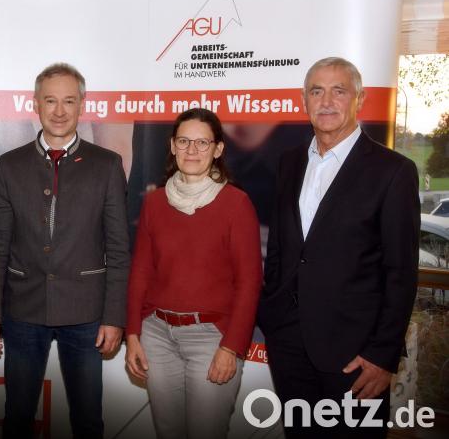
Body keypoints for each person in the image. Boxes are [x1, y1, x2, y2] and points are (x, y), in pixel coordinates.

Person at [258, 57, 420, 438]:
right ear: (304, 100)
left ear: (359, 99)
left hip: (355, 356)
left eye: (338, 90)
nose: (326, 101)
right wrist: (273, 315)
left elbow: (401, 273)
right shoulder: (289, 162)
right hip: (289, 345)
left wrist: (382, 357)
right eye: (316, 91)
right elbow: (282, 246)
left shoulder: (393, 170)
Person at [0, 62, 130, 439]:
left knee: (88, 421)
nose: (59, 110)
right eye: (50, 100)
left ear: (82, 105)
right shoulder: (9, 165)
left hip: (86, 314)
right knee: (17, 417)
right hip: (22, 311)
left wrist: (114, 317)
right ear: (35, 104)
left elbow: (119, 248)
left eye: (69, 101)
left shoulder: (107, 165)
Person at [125, 108, 263, 439]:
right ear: (172, 146)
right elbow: (141, 271)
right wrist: (132, 334)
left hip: (212, 339)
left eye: (203, 143)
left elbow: (249, 284)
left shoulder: (236, 204)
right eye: (184, 141)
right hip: (157, 336)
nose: (192, 150)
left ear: (218, 149)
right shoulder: (155, 203)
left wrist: (231, 348)